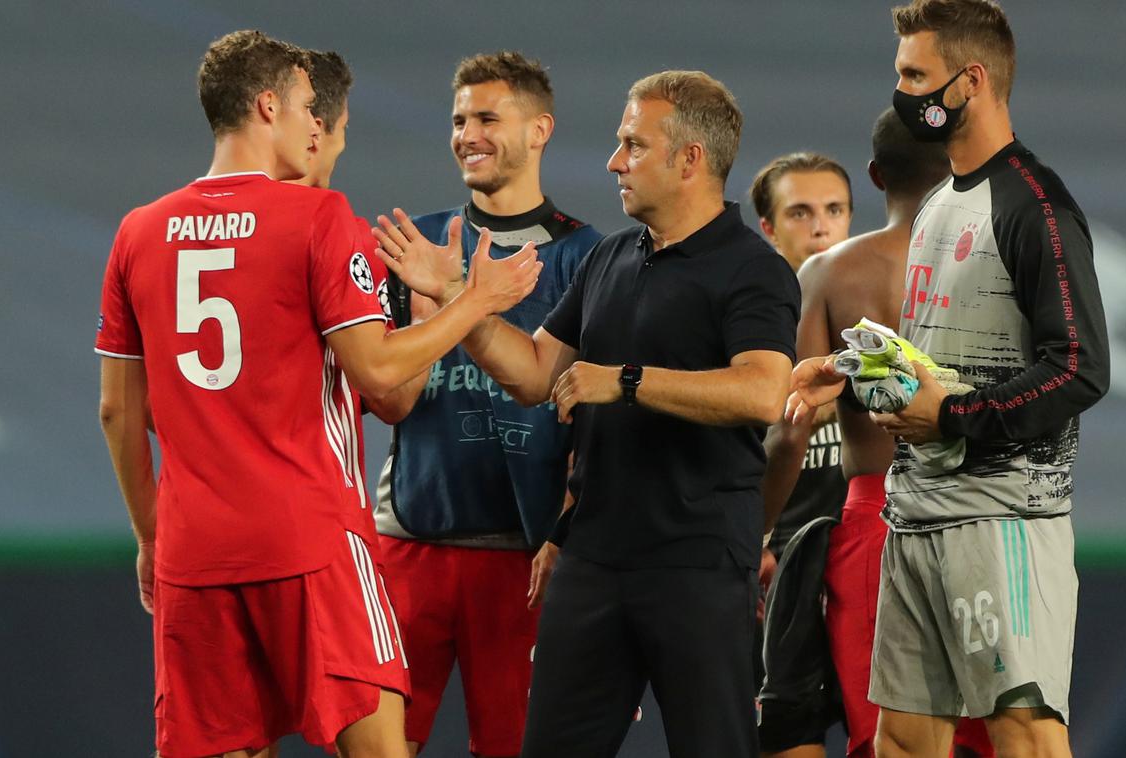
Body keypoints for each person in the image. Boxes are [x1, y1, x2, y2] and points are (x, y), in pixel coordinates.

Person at [95, 30, 541, 757]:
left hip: (193, 553)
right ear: (268, 106)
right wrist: (474, 301)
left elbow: (118, 410)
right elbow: (377, 373)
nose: (316, 123)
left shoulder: (137, 232)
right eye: (307, 105)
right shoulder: (318, 218)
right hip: (311, 541)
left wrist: (152, 535)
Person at [377, 69, 799, 758]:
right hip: (593, 560)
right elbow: (536, 374)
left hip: (696, 563)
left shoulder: (752, 269)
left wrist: (626, 381)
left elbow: (760, 391)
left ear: (690, 159)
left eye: (632, 144)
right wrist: (462, 299)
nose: (613, 161)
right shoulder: (609, 257)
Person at [790, 2, 1109, 755]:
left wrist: (957, 415)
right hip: (915, 517)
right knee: (901, 742)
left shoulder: (1036, 208)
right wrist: (847, 366)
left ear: (970, 81)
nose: (901, 92)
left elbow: (1080, 369)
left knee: (1025, 739)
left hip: (1004, 524)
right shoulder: (941, 203)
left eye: (914, 75)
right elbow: (938, 358)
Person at [366, 51, 601, 758]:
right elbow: (393, 400)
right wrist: (434, 298)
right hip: (411, 540)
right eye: (459, 119)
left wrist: (566, 530)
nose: (468, 132)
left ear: (539, 131)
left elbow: (587, 419)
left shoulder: (587, 255)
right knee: (372, 746)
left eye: (488, 117)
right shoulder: (416, 247)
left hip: (524, 562)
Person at [778, 108, 994, 758]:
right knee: (1000, 737)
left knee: (889, 741)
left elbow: (790, 421)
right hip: (985, 519)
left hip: (877, 523)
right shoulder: (999, 267)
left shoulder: (828, 275)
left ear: (875, 175)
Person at [749, 152, 854, 758]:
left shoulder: (881, 316)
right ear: (768, 227)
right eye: (801, 212)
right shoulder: (747, 332)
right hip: (775, 571)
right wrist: (752, 540)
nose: (820, 226)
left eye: (834, 210)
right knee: (788, 737)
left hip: (869, 560)